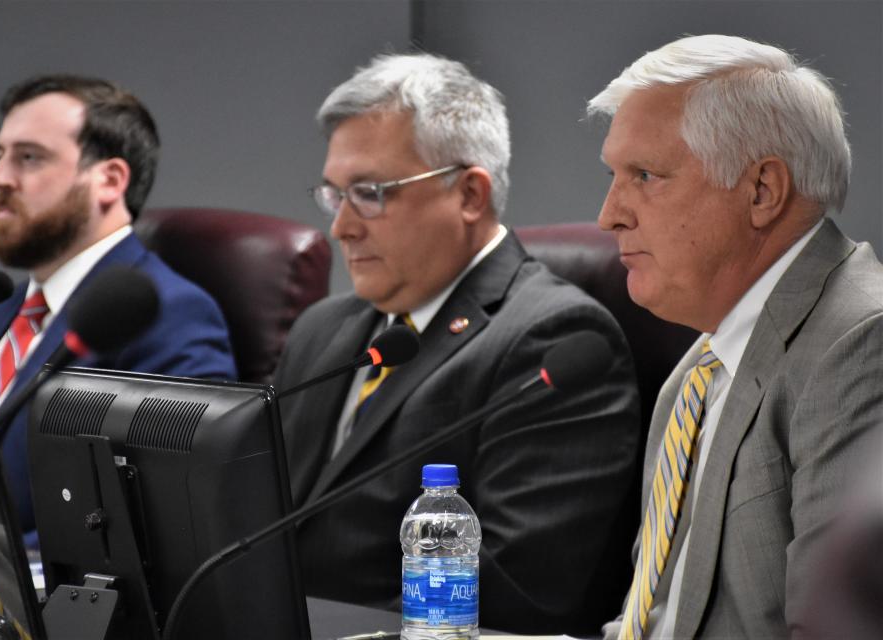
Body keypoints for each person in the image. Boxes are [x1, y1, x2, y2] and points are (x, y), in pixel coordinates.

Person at [274, 53, 640, 634]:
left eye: (369, 192)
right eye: (333, 195)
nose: (341, 226)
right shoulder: (323, 328)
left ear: (470, 194)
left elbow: (520, 594)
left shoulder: (552, 339)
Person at [587, 35, 883, 639]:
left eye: (644, 175)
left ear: (761, 192)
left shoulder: (860, 343)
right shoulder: (695, 373)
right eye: (615, 176)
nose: (609, 214)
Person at [0, 75, 237, 539]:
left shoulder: (166, 317)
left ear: (108, 180)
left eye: (28, 157)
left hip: (16, 596)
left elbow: (158, 523)